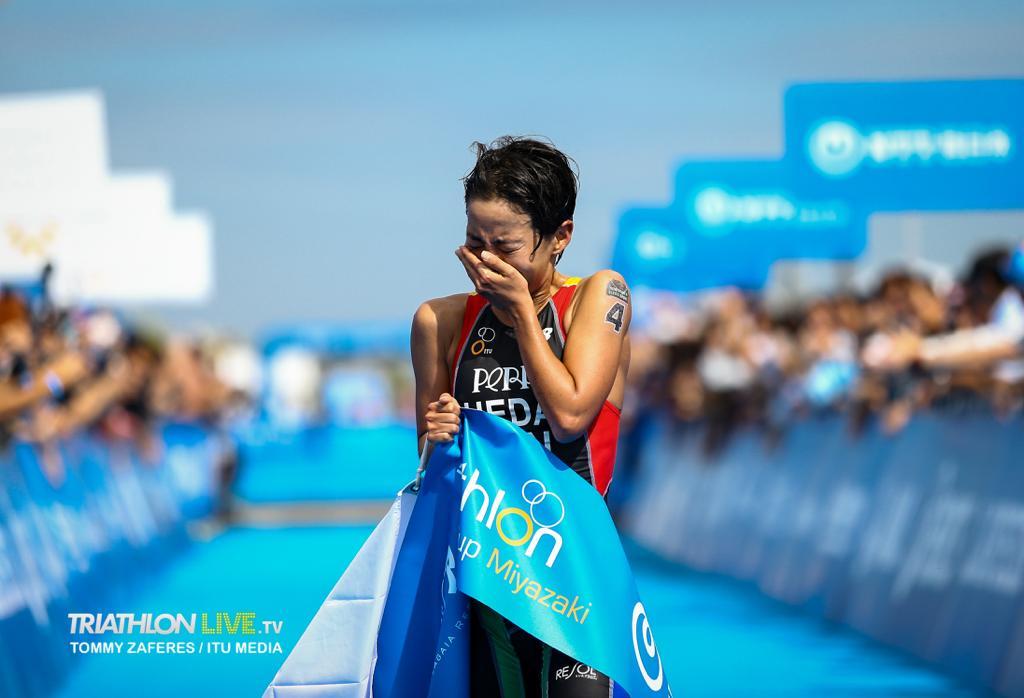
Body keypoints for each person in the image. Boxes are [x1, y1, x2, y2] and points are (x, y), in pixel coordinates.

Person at [410, 136, 631, 697]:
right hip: (491, 573)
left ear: (561, 237)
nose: (484, 262)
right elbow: (432, 467)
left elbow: (571, 415)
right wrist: (438, 436)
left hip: (574, 571)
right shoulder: (439, 321)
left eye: (504, 246)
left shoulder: (599, 297)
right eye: (472, 241)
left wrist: (523, 320)